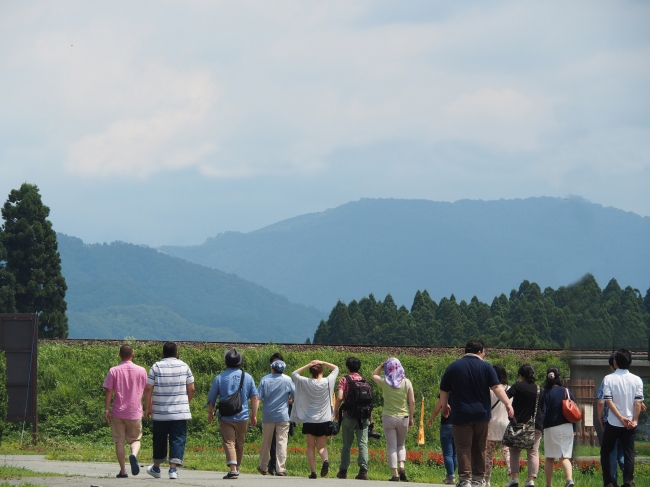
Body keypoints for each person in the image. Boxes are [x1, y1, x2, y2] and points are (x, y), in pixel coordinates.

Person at [439, 340, 514, 487]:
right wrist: (507, 404)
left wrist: (445, 405)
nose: (485, 354)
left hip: (460, 414)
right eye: (484, 351)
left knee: (462, 446)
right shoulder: (486, 366)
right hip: (481, 414)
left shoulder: (453, 367)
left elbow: (444, 389)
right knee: (480, 447)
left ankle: (465, 480)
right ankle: (478, 479)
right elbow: (497, 387)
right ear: (479, 352)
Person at [144, 342, 195, 480]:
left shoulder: (156, 366)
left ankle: (156, 468)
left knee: (159, 438)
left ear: (163, 353)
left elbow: (148, 388)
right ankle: (173, 470)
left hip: (160, 411)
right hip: (180, 411)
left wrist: (148, 407)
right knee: (177, 439)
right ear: (177, 353)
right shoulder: (184, 366)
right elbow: (191, 389)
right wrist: (185, 402)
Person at [207, 348, 259, 480]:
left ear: (226, 362)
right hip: (243, 416)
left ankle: (233, 469)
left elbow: (212, 398)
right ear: (240, 362)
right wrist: (254, 414)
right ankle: (237, 467)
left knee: (229, 441)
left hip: (225, 416)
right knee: (239, 442)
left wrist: (210, 412)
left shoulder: (219, 377)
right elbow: (254, 397)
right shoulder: (247, 377)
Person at [600, 349, 644, 487]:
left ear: (615, 361)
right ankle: (628, 483)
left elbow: (608, 401)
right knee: (629, 453)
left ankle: (609, 482)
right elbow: (638, 402)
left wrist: (620, 418)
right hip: (630, 424)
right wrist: (634, 420)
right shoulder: (637, 379)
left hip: (613, 422)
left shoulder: (609, 378)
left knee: (606, 451)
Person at [103, 344, 148, 478]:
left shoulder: (114, 371)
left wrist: (106, 410)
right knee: (136, 439)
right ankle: (133, 455)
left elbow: (108, 391)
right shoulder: (141, 371)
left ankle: (123, 471)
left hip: (118, 411)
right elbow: (147, 391)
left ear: (120, 355)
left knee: (119, 441)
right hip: (135, 411)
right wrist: (147, 408)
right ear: (132, 355)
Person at [290, 359, 339, 479]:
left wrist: (308, 364)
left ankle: (313, 472)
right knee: (321, 447)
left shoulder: (306, 382)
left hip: (309, 419)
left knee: (310, 446)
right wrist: (323, 362)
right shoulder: (328, 381)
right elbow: (336, 368)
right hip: (325, 419)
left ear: (311, 372)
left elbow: (294, 374)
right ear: (322, 370)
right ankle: (325, 460)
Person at [371, 357, 415, 482]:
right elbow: (412, 401)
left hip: (388, 417)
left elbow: (373, 375)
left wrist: (381, 364)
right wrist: (411, 417)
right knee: (401, 444)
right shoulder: (407, 382)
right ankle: (402, 465)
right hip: (404, 417)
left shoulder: (385, 381)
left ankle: (395, 474)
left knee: (391, 446)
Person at [333, 356, 372, 480]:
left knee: (346, 445)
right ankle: (363, 471)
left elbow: (339, 397)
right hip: (364, 417)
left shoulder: (344, 380)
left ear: (347, 367)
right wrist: (371, 419)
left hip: (349, 415)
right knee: (363, 443)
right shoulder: (365, 381)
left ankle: (343, 471)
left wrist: (335, 410)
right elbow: (369, 402)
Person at [256, 353, 294, 477]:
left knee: (266, 442)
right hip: (283, 415)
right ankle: (281, 468)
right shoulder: (288, 379)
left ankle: (263, 466)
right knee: (282, 442)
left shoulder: (265, 380)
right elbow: (295, 395)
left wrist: (254, 413)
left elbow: (258, 398)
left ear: (272, 368)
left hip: (268, 415)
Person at [505, 364, 543, 487]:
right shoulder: (539, 389)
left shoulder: (518, 386)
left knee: (514, 451)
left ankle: (514, 479)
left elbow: (506, 397)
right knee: (533, 452)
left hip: (518, 424)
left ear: (521, 376)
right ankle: (530, 480)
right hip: (535, 425)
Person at [539, 367, 575, 487]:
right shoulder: (566, 391)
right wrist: (574, 428)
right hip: (567, 426)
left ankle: (549, 484)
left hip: (551, 427)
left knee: (549, 457)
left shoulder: (545, 393)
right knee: (564, 456)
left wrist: (540, 427)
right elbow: (573, 409)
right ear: (559, 377)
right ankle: (569, 479)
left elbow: (542, 411)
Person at [597, 353, 625, 487]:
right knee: (622, 452)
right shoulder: (630, 379)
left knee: (611, 453)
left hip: (612, 422)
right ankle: (628, 480)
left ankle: (612, 483)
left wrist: (600, 417)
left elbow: (601, 402)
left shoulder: (608, 379)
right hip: (627, 423)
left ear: (612, 366)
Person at [485, 364, 511, 487]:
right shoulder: (510, 389)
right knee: (506, 452)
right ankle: (512, 477)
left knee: (488, 454)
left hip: (491, 424)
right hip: (505, 424)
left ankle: (487, 481)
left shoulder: (489, 390)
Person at [427, 395, 457, 484]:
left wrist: (430, 419)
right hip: (458, 425)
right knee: (455, 454)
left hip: (446, 425)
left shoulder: (445, 393)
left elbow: (437, 409)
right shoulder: (460, 389)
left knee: (448, 454)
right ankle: (450, 475)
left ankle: (451, 476)